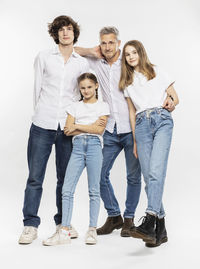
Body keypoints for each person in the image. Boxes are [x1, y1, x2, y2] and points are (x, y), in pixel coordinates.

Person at [18, 15, 89, 244]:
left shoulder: (81, 63)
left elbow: (81, 95)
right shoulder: (44, 57)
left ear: (74, 33)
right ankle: (30, 225)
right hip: (42, 123)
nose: (65, 33)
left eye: (69, 29)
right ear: (55, 33)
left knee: (64, 179)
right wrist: (38, 115)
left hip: (67, 128)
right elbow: (37, 88)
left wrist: (75, 123)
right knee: (35, 177)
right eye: (61, 29)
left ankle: (63, 223)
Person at [75, 27, 141, 237]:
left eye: (111, 42)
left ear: (118, 43)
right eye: (103, 43)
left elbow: (150, 74)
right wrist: (91, 51)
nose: (107, 47)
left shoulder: (129, 60)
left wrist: (169, 96)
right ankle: (114, 216)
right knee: (99, 174)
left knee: (133, 176)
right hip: (110, 129)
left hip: (131, 128)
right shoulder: (97, 62)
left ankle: (129, 219)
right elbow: (70, 50)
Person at [119, 40, 179, 247]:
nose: (131, 57)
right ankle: (160, 231)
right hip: (142, 125)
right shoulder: (127, 82)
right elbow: (131, 113)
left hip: (161, 120)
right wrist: (135, 140)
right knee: (148, 177)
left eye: (134, 52)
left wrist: (171, 102)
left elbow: (175, 98)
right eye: (127, 54)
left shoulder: (156, 71)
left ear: (141, 53)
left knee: (155, 172)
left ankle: (149, 219)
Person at [43, 73, 110, 246]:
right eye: (82, 88)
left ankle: (92, 230)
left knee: (94, 190)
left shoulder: (103, 106)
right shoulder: (74, 107)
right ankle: (64, 231)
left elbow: (98, 130)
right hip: (78, 148)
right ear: (79, 89)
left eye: (89, 87)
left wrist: (78, 125)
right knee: (67, 189)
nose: (86, 91)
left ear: (96, 86)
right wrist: (88, 127)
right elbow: (67, 130)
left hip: (95, 146)